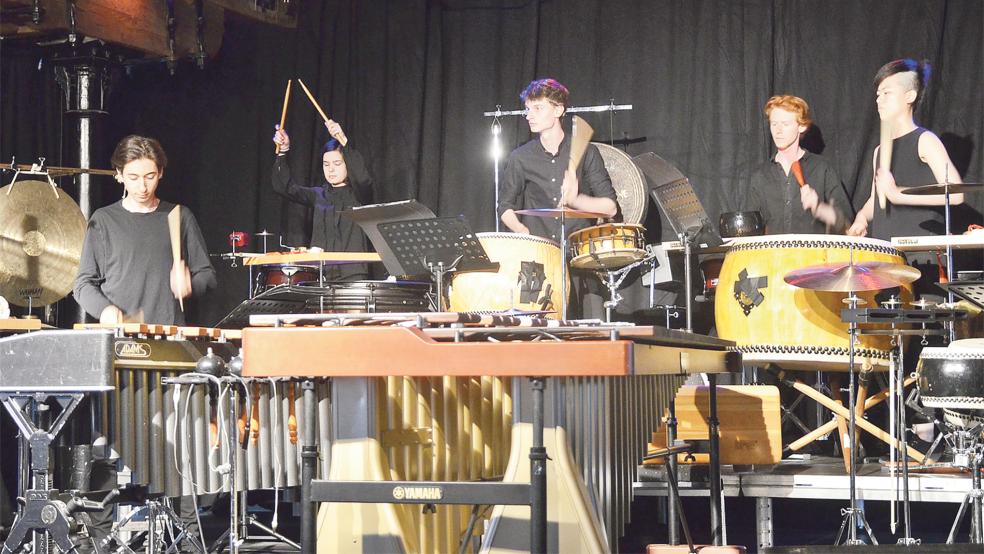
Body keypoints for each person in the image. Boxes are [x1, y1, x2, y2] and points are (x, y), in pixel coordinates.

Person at [847, 58, 964, 299]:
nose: (879, 100)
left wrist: (898, 195)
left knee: (925, 329)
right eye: (878, 94)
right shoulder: (880, 150)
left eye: (887, 93)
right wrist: (861, 217)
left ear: (909, 96)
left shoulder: (925, 140)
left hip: (921, 257)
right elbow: (876, 198)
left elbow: (957, 193)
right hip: (886, 254)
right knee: (890, 327)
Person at [74, 135, 217, 325]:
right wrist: (104, 309)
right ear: (119, 174)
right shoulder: (103, 220)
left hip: (168, 333)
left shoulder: (179, 216)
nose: (142, 187)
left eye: (150, 177)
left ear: (160, 172)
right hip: (119, 335)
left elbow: (208, 276)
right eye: (133, 178)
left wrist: (191, 285)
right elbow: (83, 284)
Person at [499, 78, 618, 241]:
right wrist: (520, 230)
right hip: (540, 252)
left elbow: (610, 209)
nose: (529, 116)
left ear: (558, 110)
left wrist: (576, 200)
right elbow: (505, 206)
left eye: (537, 108)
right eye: (527, 109)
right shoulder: (520, 157)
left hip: (578, 251)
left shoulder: (587, 151)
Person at [271, 120, 374, 280]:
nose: (331, 169)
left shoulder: (359, 194)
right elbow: (284, 187)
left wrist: (343, 141)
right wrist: (282, 152)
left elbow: (362, 179)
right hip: (321, 274)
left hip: (352, 275)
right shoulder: (319, 194)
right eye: (326, 164)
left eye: (337, 163)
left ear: (347, 164)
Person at [744, 95, 851, 234]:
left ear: (801, 126)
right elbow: (751, 230)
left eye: (785, 124)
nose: (778, 130)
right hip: (773, 255)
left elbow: (847, 224)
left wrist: (819, 208)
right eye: (774, 124)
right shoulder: (760, 176)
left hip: (814, 255)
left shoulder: (821, 169)